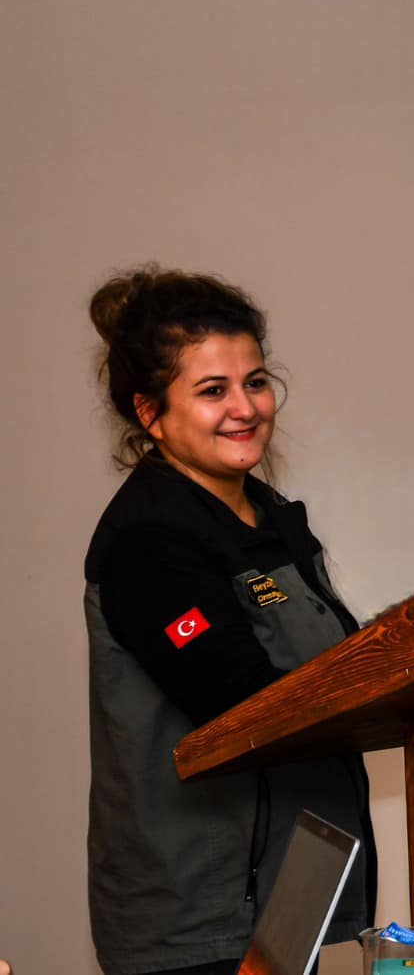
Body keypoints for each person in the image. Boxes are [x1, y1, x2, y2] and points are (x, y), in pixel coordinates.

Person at [83, 267, 376, 975]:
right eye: (212, 391)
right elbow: (242, 709)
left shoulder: (268, 513)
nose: (245, 408)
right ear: (150, 412)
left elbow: (331, 661)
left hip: (289, 897)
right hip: (201, 919)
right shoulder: (150, 539)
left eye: (255, 382)